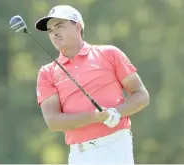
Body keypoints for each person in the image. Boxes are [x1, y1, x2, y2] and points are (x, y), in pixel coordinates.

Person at [35, 5, 149, 164]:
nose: (54, 33)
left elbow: (141, 95)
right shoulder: (47, 73)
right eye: (50, 30)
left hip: (116, 147)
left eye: (60, 26)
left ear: (78, 26)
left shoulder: (109, 54)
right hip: (79, 154)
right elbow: (53, 121)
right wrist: (94, 117)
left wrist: (116, 113)